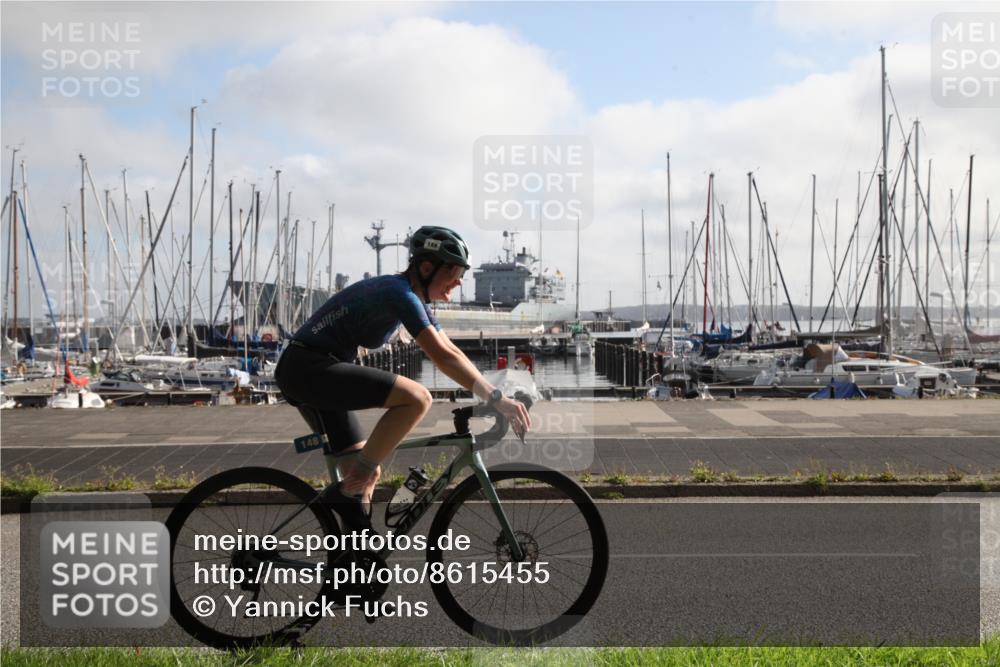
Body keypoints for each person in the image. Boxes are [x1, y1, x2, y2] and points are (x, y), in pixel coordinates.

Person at [275, 226, 531, 533]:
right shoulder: (400, 294)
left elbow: (450, 349)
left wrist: (493, 392)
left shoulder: (409, 296)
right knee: (417, 398)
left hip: (311, 369)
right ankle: (349, 494)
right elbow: (442, 357)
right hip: (309, 369)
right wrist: (496, 400)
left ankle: (354, 565)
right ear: (426, 268)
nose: (460, 281)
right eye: (454, 272)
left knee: (367, 472)